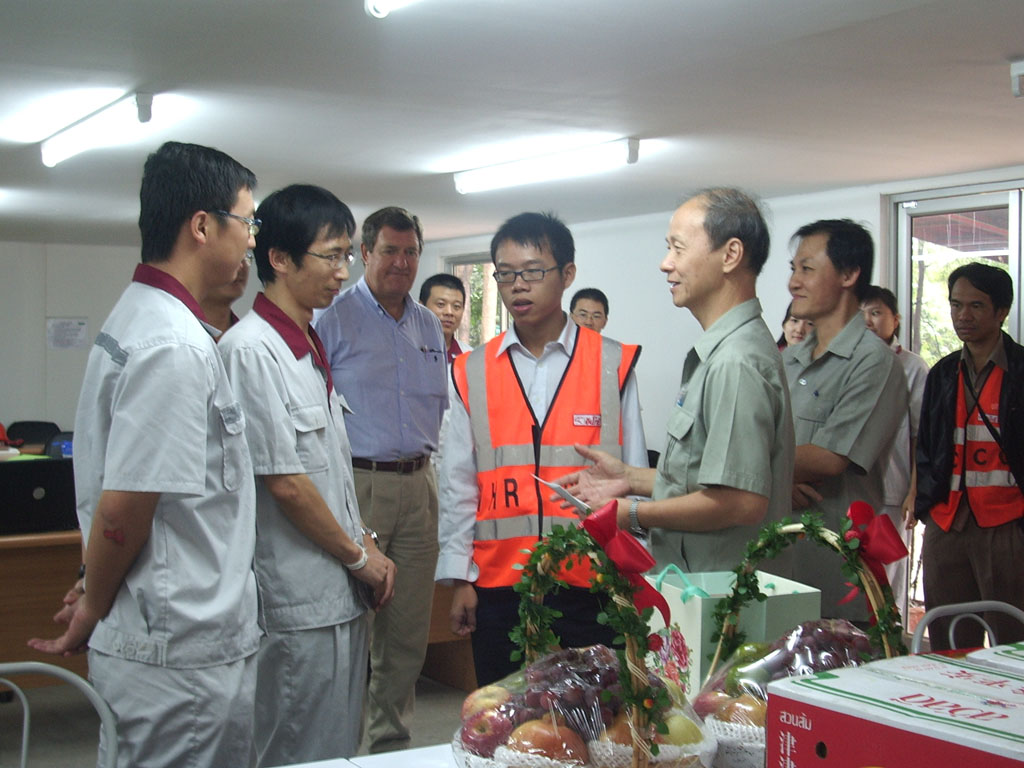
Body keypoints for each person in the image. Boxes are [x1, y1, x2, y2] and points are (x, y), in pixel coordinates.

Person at [28, 141, 261, 768]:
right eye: (247, 222)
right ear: (203, 226)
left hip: (168, 638)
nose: (251, 240)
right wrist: (94, 604)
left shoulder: (145, 315)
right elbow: (124, 506)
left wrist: (92, 582)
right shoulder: (172, 344)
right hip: (180, 653)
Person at [218, 185, 396, 764]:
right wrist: (359, 557)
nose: (343, 272)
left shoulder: (307, 347)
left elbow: (330, 473)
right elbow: (286, 483)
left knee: (338, 746)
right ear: (279, 258)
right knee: (297, 750)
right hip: (295, 602)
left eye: (347, 255)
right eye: (331, 255)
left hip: (337, 595)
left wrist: (364, 538)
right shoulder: (251, 351)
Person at [437, 211, 646, 686]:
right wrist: (459, 578)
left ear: (567, 274)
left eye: (533, 271)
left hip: (594, 582)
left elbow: (635, 477)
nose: (518, 285)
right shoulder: (472, 370)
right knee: (505, 714)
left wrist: (634, 575)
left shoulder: (612, 363)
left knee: (595, 715)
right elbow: (457, 483)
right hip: (498, 583)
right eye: (506, 274)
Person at [558, 188, 794, 576]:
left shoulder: (736, 361)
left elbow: (740, 501)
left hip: (723, 595)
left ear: (730, 255)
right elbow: (701, 481)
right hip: (701, 587)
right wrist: (630, 478)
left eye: (678, 249)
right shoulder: (722, 352)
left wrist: (633, 513)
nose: (665, 264)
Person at [314, 206, 447, 753]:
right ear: (365, 253)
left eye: (411, 252)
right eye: (390, 251)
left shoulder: (428, 325)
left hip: (420, 485)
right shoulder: (332, 319)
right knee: (352, 628)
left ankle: (390, 747)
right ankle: (340, 750)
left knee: (407, 634)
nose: (401, 262)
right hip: (357, 486)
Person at [784, 219, 907, 622]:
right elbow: (760, 439)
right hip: (777, 569)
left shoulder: (873, 362)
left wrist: (764, 469)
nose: (793, 282)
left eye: (807, 268)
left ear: (849, 275)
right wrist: (780, 476)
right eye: (793, 269)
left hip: (835, 578)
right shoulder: (788, 360)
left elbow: (829, 459)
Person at [915, 262, 1024, 649]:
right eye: (956, 304)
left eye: (976, 306)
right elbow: (927, 446)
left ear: (1001, 311)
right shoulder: (943, 373)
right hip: (948, 521)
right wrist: (927, 509)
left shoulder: (1020, 370)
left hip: (1006, 524)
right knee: (948, 637)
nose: (963, 315)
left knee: (1011, 638)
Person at [860, 284, 929, 620]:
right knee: (852, 575)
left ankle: (888, 641)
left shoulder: (913, 367)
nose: (868, 321)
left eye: (876, 312)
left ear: (896, 319)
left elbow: (921, 435)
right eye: (861, 314)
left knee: (888, 575)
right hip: (851, 488)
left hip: (892, 489)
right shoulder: (850, 362)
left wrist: (914, 491)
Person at [420, 272, 468, 362]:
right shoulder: (404, 351)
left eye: (456, 306)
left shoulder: (470, 358)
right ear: (421, 307)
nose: (449, 312)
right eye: (441, 304)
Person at [202, 253, 251, 332]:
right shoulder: (183, 327)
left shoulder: (247, 334)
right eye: (229, 257)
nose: (242, 266)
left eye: (246, 257)